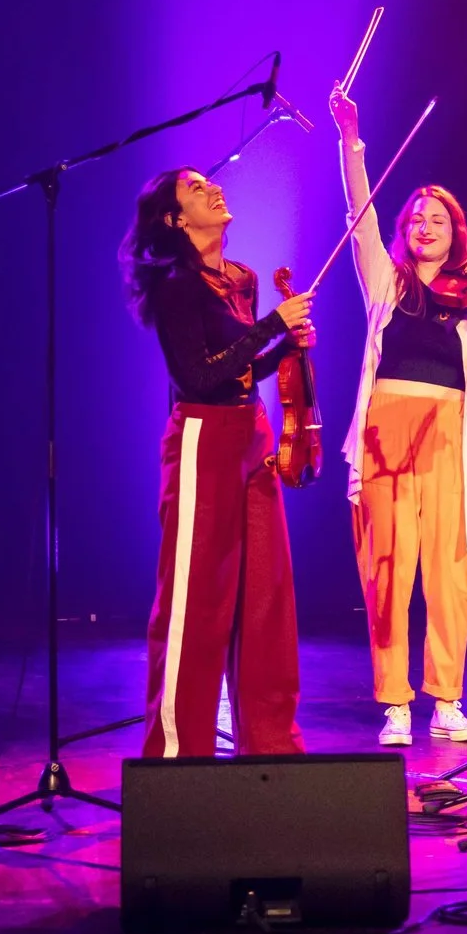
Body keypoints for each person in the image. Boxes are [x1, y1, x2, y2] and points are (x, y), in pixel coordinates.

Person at [330, 87, 467, 747]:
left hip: (448, 433)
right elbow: (361, 216)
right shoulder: (387, 279)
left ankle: (447, 700)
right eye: (417, 218)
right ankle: (396, 705)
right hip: (385, 429)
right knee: (387, 572)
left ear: (455, 229)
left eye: (437, 218)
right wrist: (351, 141)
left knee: (450, 574)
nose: (425, 225)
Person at [124, 166, 317, 758]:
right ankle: (178, 754)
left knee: (265, 594)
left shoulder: (242, 278)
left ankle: (271, 746)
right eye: (194, 188)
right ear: (176, 219)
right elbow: (199, 377)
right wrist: (272, 327)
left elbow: (243, 369)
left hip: (252, 433)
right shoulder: (177, 285)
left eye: (209, 182)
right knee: (195, 601)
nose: (212, 188)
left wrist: (286, 345)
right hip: (203, 439)